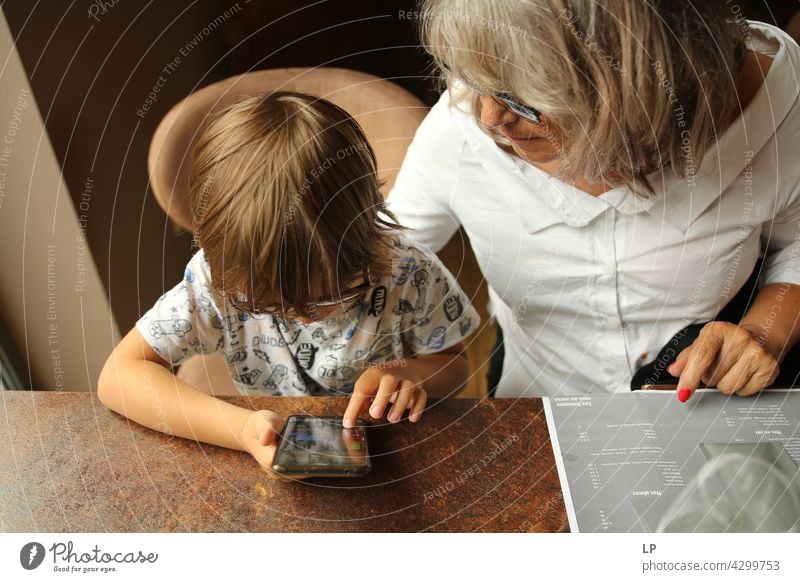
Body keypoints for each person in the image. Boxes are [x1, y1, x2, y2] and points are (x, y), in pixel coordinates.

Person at [388, 0, 800, 401]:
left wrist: (764, 332)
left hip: (695, 403)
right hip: (531, 398)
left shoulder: (775, 109)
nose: (489, 118)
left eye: (524, 98)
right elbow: (380, 258)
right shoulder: (461, 128)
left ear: (640, 91)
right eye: (475, 82)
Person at [97, 91, 479, 477]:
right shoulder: (217, 281)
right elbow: (118, 377)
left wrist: (409, 373)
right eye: (270, 305)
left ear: (363, 239)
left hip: (392, 454)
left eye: (328, 295)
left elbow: (454, 364)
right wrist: (242, 429)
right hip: (269, 447)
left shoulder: (407, 269)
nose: (304, 316)